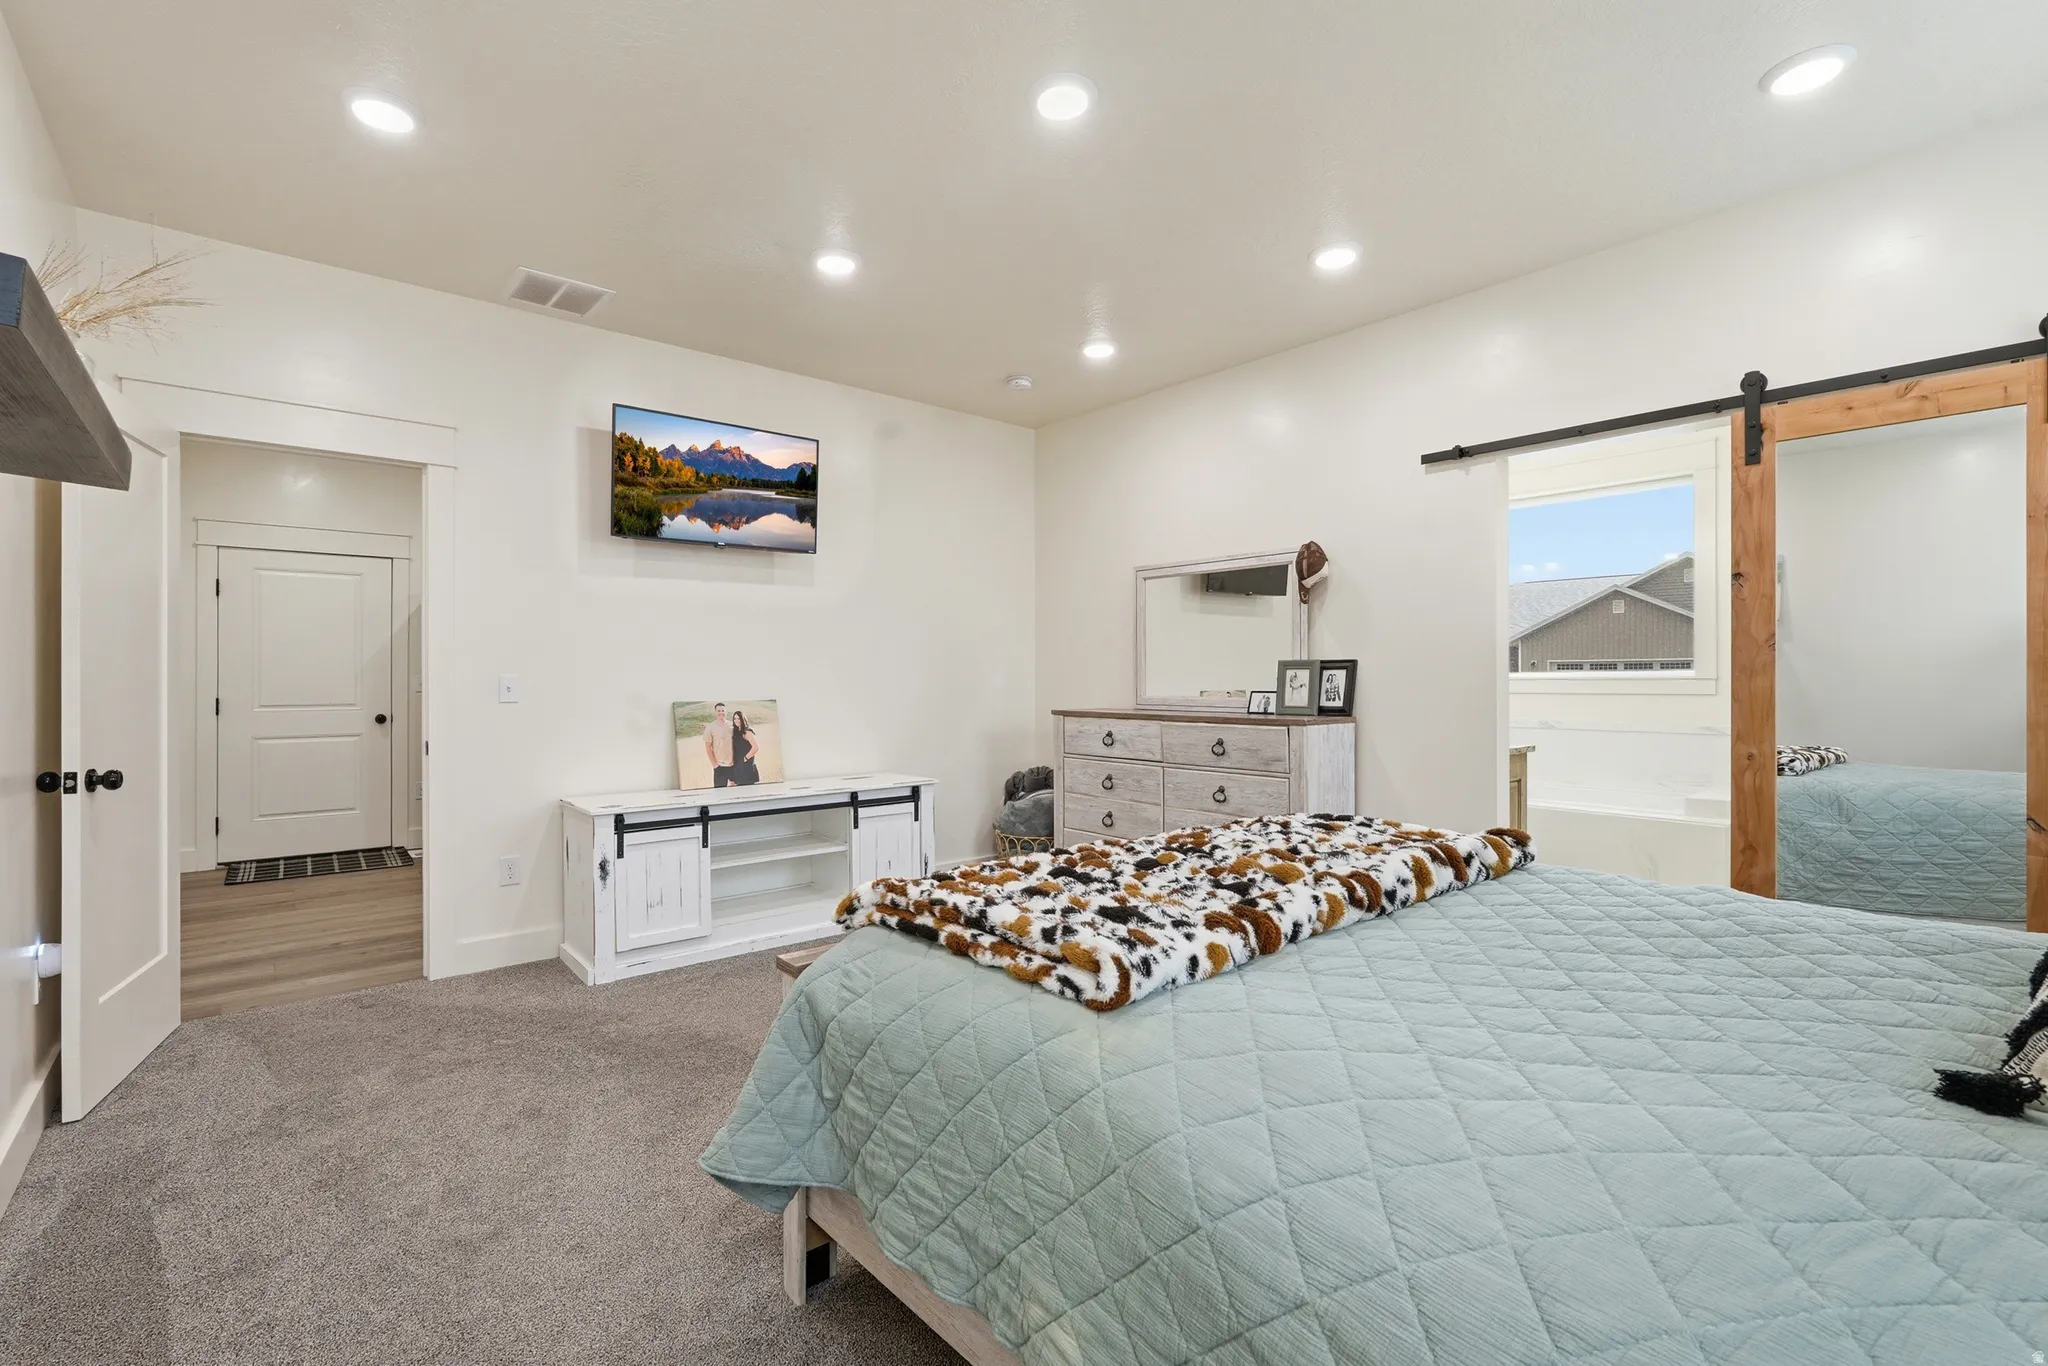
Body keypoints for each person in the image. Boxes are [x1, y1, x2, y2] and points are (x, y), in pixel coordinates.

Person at [702, 703, 733, 788]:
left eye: (723, 710)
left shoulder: (732, 725)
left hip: (734, 765)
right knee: (720, 795)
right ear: (715, 712)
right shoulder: (710, 727)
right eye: (719, 711)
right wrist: (715, 765)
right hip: (719, 767)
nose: (721, 712)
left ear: (726, 712)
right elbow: (708, 747)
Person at [727, 710, 761, 785]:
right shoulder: (735, 732)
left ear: (743, 719)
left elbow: (756, 747)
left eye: (739, 718)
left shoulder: (747, 732)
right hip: (738, 766)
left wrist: (745, 758)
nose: (736, 720)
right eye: (735, 718)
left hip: (747, 767)